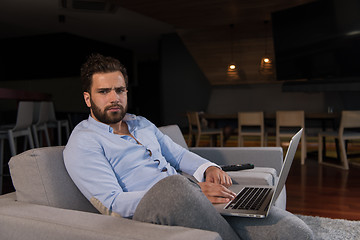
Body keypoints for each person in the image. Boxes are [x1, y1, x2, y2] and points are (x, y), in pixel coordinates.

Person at [64, 53, 313, 240]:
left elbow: (178, 154)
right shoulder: (84, 141)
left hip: (190, 199)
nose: (114, 98)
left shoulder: (140, 123)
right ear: (88, 98)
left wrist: (207, 168)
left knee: (295, 233)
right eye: (104, 91)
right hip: (154, 210)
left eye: (119, 90)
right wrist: (191, 193)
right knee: (173, 187)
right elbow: (113, 203)